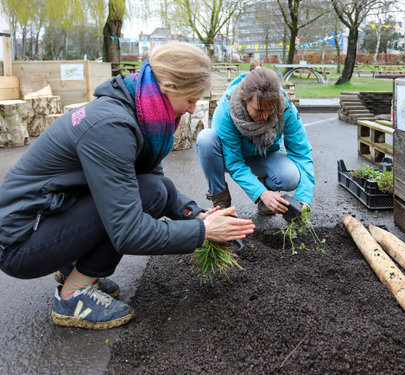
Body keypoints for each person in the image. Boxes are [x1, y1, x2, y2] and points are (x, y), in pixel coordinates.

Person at [0, 42, 255, 330]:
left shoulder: (140, 109)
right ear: (169, 85)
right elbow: (129, 232)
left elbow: (155, 183)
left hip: (47, 218)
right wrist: (203, 232)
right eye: (191, 99)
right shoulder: (111, 127)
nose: (193, 109)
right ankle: (73, 297)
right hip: (20, 243)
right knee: (146, 197)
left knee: (151, 190)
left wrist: (194, 214)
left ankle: (72, 267)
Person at [196, 66, 314, 216]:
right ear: (244, 97)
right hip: (228, 157)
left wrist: (303, 199)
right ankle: (222, 204)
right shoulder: (226, 111)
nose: (264, 117)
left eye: (269, 111)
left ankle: (267, 194)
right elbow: (235, 163)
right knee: (206, 139)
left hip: (263, 155)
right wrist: (261, 193)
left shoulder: (285, 107)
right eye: (259, 110)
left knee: (290, 176)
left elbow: (301, 153)